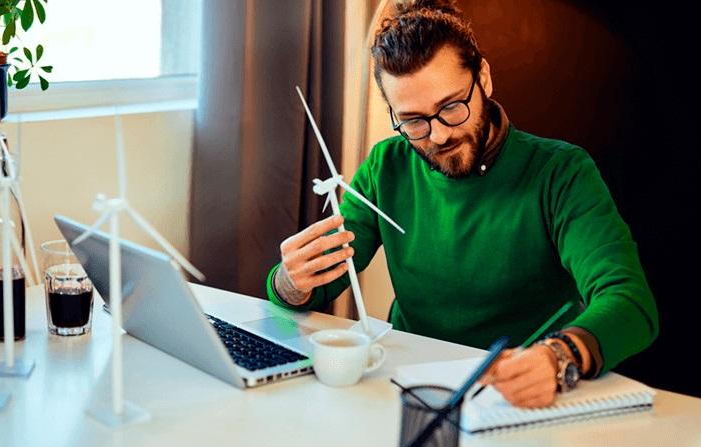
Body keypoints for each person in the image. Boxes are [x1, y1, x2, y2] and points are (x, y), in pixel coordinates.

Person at [266, 0, 658, 408]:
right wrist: (290, 282)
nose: (436, 137)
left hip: (519, 396)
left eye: (451, 107)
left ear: (483, 78)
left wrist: (559, 357)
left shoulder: (561, 171)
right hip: (412, 386)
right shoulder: (387, 165)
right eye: (413, 121)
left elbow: (630, 303)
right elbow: (317, 285)